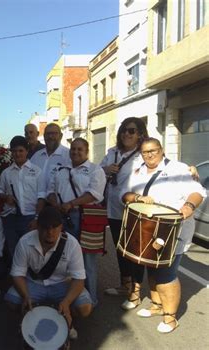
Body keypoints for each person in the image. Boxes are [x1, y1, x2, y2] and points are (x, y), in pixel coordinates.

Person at [121, 138, 206, 333]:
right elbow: (125, 196)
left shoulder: (179, 169)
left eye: (154, 150)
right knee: (152, 269)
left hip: (174, 231)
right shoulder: (137, 172)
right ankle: (157, 306)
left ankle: (171, 318)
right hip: (147, 230)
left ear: (162, 150)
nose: (150, 155)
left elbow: (197, 192)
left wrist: (188, 207)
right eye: (145, 152)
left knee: (167, 274)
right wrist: (137, 198)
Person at [5, 206, 93, 339]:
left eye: (54, 227)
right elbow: (17, 274)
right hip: (34, 283)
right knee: (12, 300)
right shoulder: (24, 242)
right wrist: (26, 296)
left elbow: (79, 279)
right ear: (38, 227)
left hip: (63, 283)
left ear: (61, 227)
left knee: (85, 307)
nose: (50, 232)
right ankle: (29, 319)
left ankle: (66, 319)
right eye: (45, 227)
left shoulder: (72, 244)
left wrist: (67, 302)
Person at [44, 138, 106, 306]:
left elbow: (95, 194)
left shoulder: (95, 170)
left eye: (80, 149)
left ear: (87, 151)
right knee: (63, 256)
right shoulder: (60, 169)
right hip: (61, 216)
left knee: (87, 260)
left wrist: (71, 203)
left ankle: (91, 299)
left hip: (85, 217)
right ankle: (67, 297)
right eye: (73, 149)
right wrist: (54, 203)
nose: (76, 152)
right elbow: (50, 190)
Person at [100, 117, 149, 304]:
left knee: (134, 253)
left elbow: (163, 164)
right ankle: (124, 285)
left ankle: (135, 293)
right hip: (113, 210)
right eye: (123, 130)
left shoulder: (143, 154)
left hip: (134, 212)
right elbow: (97, 171)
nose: (126, 134)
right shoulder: (112, 152)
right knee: (120, 250)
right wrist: (105, 169)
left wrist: (189, 169)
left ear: (140, 134)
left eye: (131, 131)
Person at [0, 135, 41, 258]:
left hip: (30, 218)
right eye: (14, 151)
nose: (17, 154)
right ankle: (16, 276)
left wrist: (37, 218)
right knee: (13, 250)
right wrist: (5, 197)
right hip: (11, 218)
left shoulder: (37, 171)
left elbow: (42, 197)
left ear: (27, 151)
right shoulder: (6, 172)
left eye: (20, 150)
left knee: (31, 251)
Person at [34, 123, 72, 216]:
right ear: (44, 136)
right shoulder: (36, 156)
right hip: (37, 204)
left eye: (54, 133)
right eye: (48, 134)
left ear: (61, 136)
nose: (50, 136)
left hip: (58, 206)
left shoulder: (69, 155)